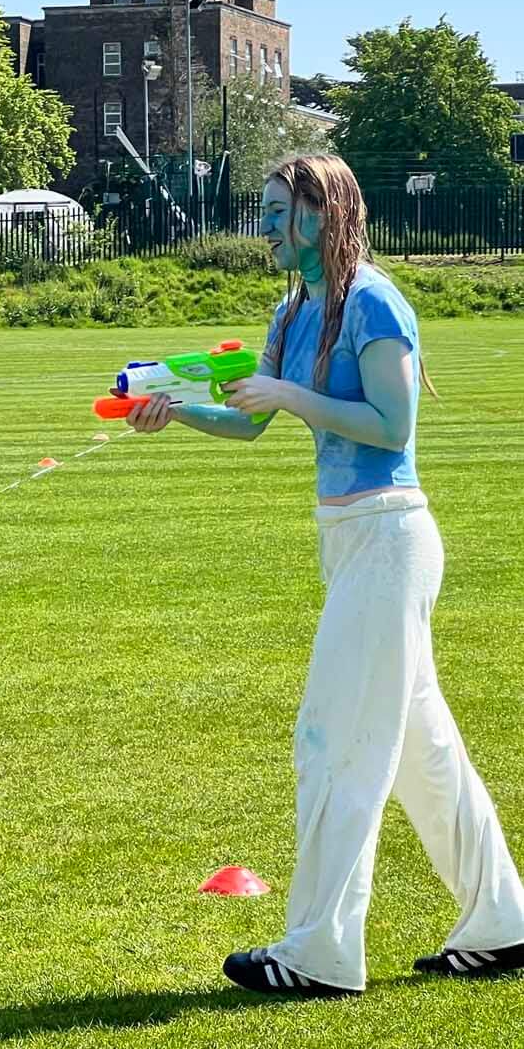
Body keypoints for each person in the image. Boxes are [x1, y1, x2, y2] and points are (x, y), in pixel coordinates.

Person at [131, 153, 524, 997]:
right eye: (266, 211)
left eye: (278, 211)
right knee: (422, 752)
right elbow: (253, 425)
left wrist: (287, 393)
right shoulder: (294, 307)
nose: (265, 226)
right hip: (348, 540)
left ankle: (320, 952)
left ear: (322, 211)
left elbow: (390, 426)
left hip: (391, 537)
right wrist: (178, 414)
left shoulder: (375, 301)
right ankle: (503, 924)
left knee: (332, 742)